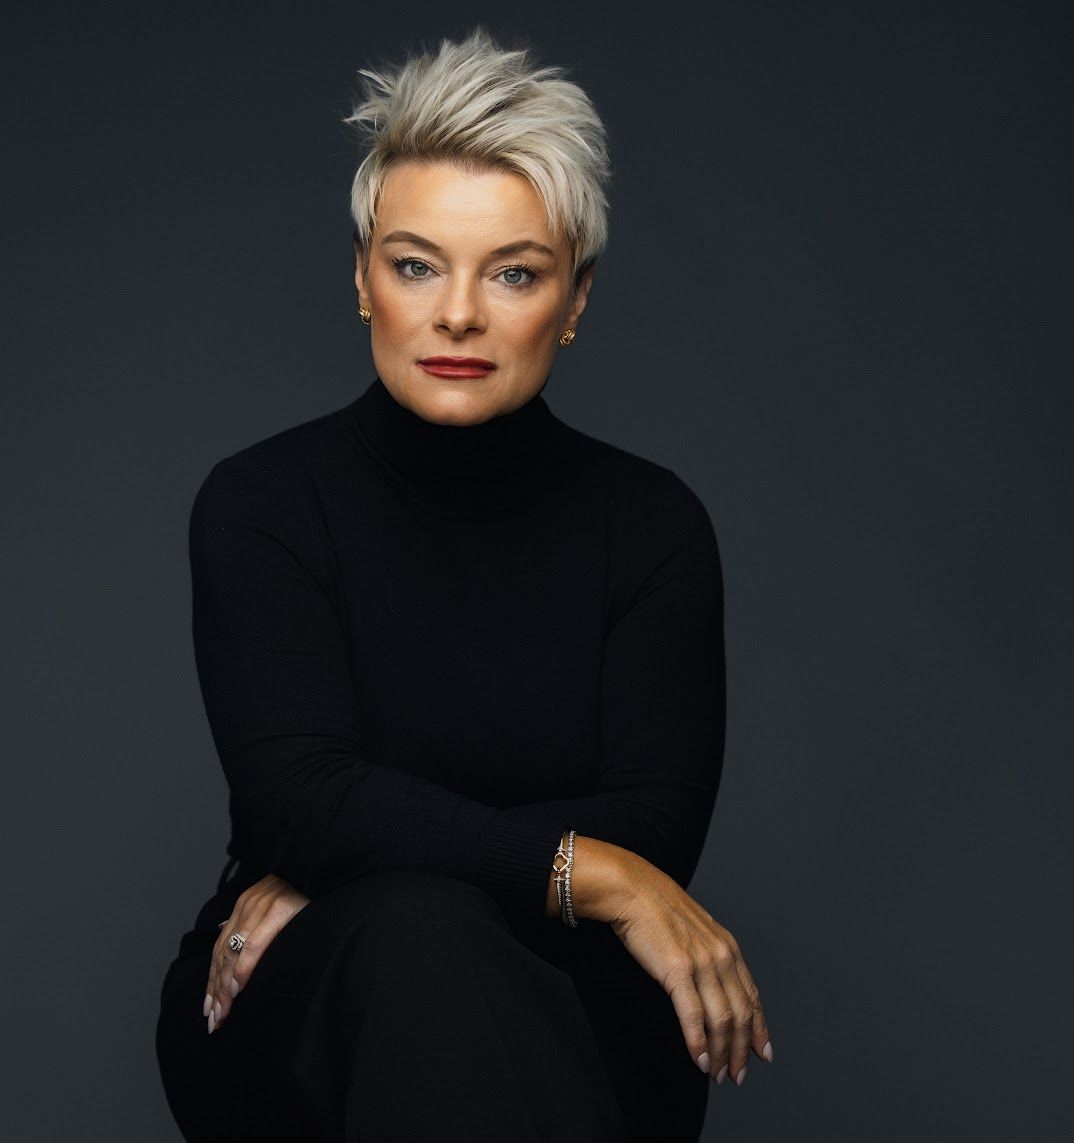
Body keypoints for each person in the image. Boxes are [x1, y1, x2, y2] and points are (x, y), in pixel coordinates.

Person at [155, 27, 772, 1142]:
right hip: (309, 997)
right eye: (416, 263)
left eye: (515, 273)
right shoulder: (263, 504)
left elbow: (655, 822)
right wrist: (600, 875)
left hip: (582, 1003)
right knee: (413, 938)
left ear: (574, 300)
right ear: (361, 278)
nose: (456, 315)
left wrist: (356, 858)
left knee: (424, 920)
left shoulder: (650, 527)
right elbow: (299, 800)